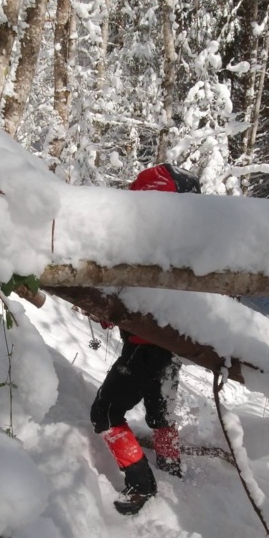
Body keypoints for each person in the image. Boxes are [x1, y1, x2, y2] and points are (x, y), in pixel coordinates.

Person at [90, 163, 200, 515]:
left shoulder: (147, 242)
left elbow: (133, 294)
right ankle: (171, 470)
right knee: (161, 414)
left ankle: (141, 483)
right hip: (171, 349)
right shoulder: (184, 245)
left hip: (144, 348)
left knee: (105, 413)